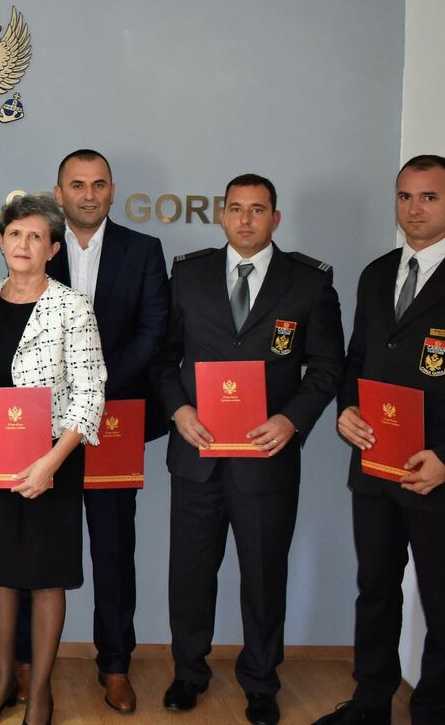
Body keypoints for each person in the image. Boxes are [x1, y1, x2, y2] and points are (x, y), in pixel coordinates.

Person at [313, 155, 445, 725]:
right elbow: (357, 361)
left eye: (429, 197)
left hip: (440, 478)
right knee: (375, 592)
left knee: (443, 603)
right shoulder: (377, 273)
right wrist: (346, 409)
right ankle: (370, 705)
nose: (415, 209)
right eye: (406, 196)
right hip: (375, 469)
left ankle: (432, 713)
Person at [151, 174, 343, 725]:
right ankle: (189, 672)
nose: (245, 219)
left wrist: (291, 419)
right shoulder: (188, 275)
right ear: (222, 215)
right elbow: (163, 359)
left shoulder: (309, 282)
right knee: (190, 575)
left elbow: (327, 367)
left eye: (258, 210)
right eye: (235, 208)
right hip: (197, 453)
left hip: (267, 458)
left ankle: (261, 682)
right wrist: (178, 410)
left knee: (263, 576)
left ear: (275, 218)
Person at [10, 149, 169, 714]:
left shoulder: (143, 251)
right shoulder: (37, 247)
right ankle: (25, 662)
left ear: (112, 191)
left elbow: (153, 331)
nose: (89, 194)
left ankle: (116, 663)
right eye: (77, 185)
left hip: (115, 419)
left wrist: (93, 384)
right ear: (59, 193)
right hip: (42, 426)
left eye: (99, 184)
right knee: (34, 548)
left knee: (113, 546)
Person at [0, 194, 106, 725]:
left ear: (52, 249)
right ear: (1, 241)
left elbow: (90, 395)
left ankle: (40, 692)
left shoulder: (73, 306)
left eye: (36, 237)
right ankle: (3, 681)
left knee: (47, 578)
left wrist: (51, 463)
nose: (23, 244)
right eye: (15, 234)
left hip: (53, 463)